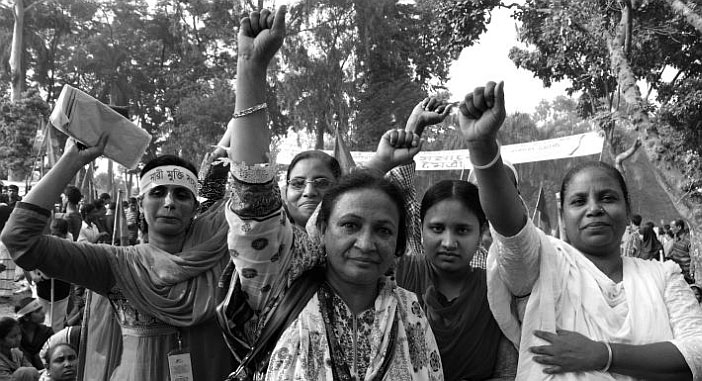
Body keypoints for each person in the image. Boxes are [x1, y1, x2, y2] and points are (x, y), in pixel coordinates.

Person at [223, 8, 443, 380]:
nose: (366, 242)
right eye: (350, 225)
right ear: (319, 230)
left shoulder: (410, 310)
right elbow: (253, 200)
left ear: (400, 242)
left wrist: (385, 161)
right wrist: (251, 68)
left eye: (384, 230)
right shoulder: (284, 281)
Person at [460, 81, 702, 379]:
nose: (594, 208)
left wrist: (602, 354)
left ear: (627, 211)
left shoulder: (663, 276)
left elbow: (697, 353)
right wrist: (482, 148)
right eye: (578, 201)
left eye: (608, 198)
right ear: (563, 216)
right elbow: (513, 233)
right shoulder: (543, 265)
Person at [1, 135, 234, 379]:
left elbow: (253, 202)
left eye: (181, 195)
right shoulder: (114, 263)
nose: (169, 202)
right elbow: (19, 238)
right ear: (141, 203)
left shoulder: (219, 251)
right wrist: (70, 162)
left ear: (195, 207)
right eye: (158, 192)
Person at [389, 97, 516, 380]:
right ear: (418, 229)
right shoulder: (399, 272)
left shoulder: (498, 287)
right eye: (436, 229)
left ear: (482, 231)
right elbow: (383, 198)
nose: (448, 242)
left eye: (462, 230)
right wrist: (414, 127)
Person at [33, 219, 73, 332]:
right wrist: (34, 275)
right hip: (43, 290)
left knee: (57, 323)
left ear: (65, 234)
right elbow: (31, 263)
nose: (55, 237)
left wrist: (46, 275)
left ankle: (54, 344)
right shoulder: (44, 244)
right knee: (39, 318)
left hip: (61, 290)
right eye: (53, 234)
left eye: (58, 235)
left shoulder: (69, 247)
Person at [14, 298, 53, 370]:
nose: (43, 312)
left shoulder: (47, 332)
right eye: (37, 311)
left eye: (41, 309)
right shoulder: (13, 335)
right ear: (26, 317)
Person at [0, 317, 38, 381]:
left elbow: (33, 370)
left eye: (19, 334)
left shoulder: (16, 352)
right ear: (1, 340)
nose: (19, 339)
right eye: (13, 336)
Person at [668, 219, 694, 283]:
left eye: (672, 227)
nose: (670, 229)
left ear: (679, 227)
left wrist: (691, 273)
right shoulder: (675, 237)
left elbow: (693, 258)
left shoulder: (689, 240)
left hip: (686, 274)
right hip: (676, 272)